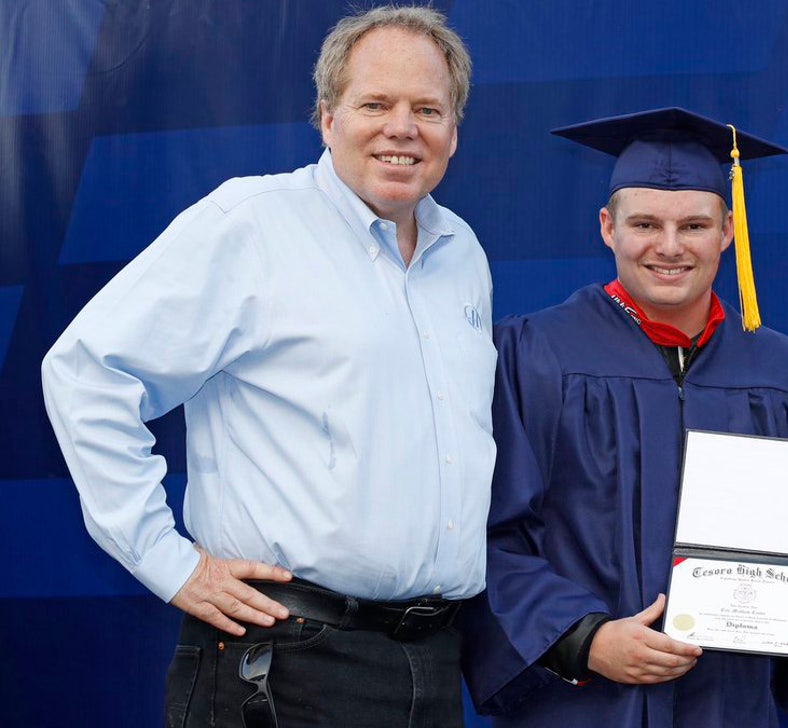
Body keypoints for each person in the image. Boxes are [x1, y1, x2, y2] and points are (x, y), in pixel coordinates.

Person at [41, 6, 493, 726]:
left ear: (454, 129)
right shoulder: (251, 225)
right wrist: (170, 563)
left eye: (427, 108)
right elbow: (87, 372)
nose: (402, 128)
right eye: (374, 103)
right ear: (326, 117)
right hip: (284, 667)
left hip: (430, 666)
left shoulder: (461, 252)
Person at [460, 107, 788, 727]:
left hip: (727, 702)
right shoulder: (533, 353)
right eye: (644, 223)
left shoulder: (785, 371)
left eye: (693, 225)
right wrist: (583, 639)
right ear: (606, 227)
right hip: (581, 705)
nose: (669, 247)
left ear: (727, 230)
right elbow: (489, 534)